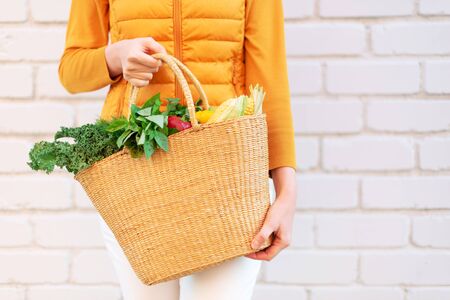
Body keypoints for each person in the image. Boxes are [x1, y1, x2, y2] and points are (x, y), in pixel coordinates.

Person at [58, 0, 297, 299]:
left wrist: (287, 191)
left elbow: (269, 80)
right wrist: (117, 56)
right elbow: (71, 71)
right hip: (136, 173)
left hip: (228, 175)